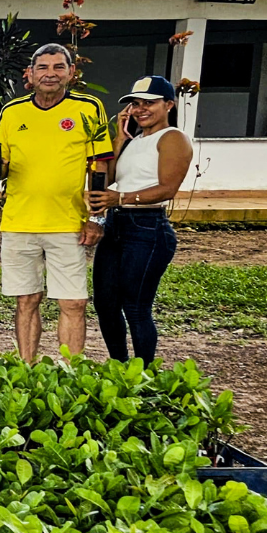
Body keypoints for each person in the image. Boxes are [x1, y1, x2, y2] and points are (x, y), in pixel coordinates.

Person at [0, 44, 112, 358]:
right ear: (30, 74)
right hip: (19, 222)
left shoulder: (89, 107)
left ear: (71, 72)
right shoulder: (12, 112)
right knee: (26, 300)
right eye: (43, 67)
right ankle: (28, 369)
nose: (50, 74)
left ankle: (69, 371)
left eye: (58, 67)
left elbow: (100, 166)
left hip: (68, 223)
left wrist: (96, 218)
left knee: (73, 302)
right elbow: (4, 165)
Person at [88, 76, 192, 362]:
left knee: (135, 307)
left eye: (150, 103)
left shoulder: (172, 138)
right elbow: (109, 179)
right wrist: (119, 139)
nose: (140, 109)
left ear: (169, 104)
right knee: (105, 304)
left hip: (147, 227)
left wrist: (119, 199)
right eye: (136, 103)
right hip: (117, 225)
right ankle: (119, 368)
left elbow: (167, 188)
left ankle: (143, 373)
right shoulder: (134, 141)